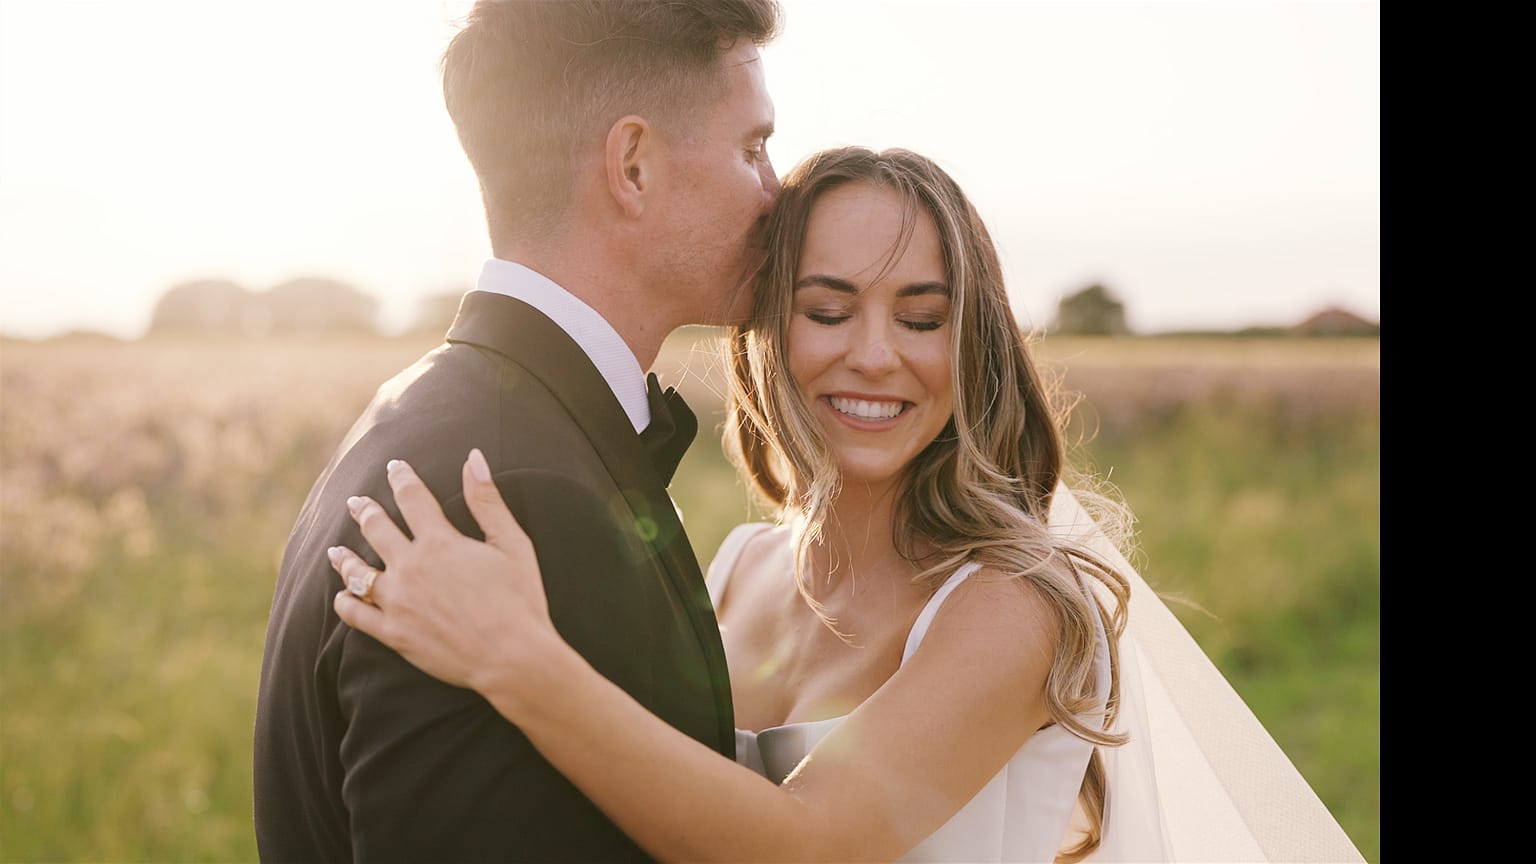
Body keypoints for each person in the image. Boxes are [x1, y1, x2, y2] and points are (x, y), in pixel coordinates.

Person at [328, 146, 1151, 862]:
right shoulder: (737, 565)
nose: (872, 355)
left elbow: (807, 843)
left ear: (972, 343)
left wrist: (513, 658)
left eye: (922, 319)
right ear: (767, 331)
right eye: (827, 310)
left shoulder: (1015, 607)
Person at [252, 1, 783, 860]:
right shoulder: (511, 497)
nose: (776, 191)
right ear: (634, 166)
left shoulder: (422, 408)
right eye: (752, 148)